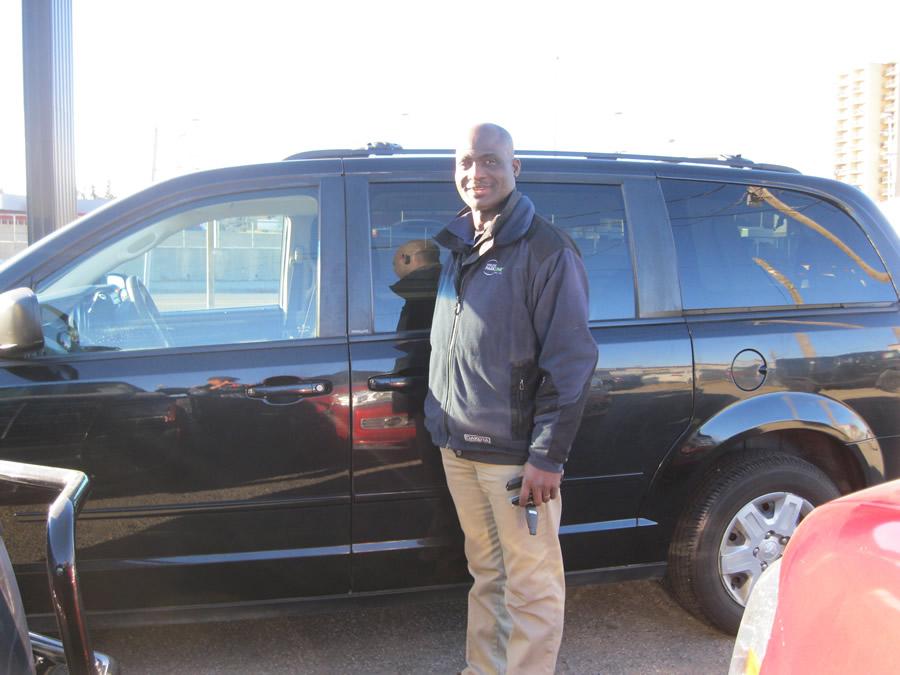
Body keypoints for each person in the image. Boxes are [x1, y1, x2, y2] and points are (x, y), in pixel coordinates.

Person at [424, 123, 598, 674]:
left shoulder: (546, 250)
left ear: (515, 167)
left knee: (531, 585)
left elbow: (570, 362)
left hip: (515, 458)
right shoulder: (460, 244)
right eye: (468, 162)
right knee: (488, 574)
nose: (478, 173)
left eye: (492, 161)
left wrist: (547, 457)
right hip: (460, 448)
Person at [389, 239, 442, 331]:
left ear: (404, 258)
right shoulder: (452, 281)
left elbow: (404, 339)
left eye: (394, 264)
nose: (394, 271)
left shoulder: (416, 291)